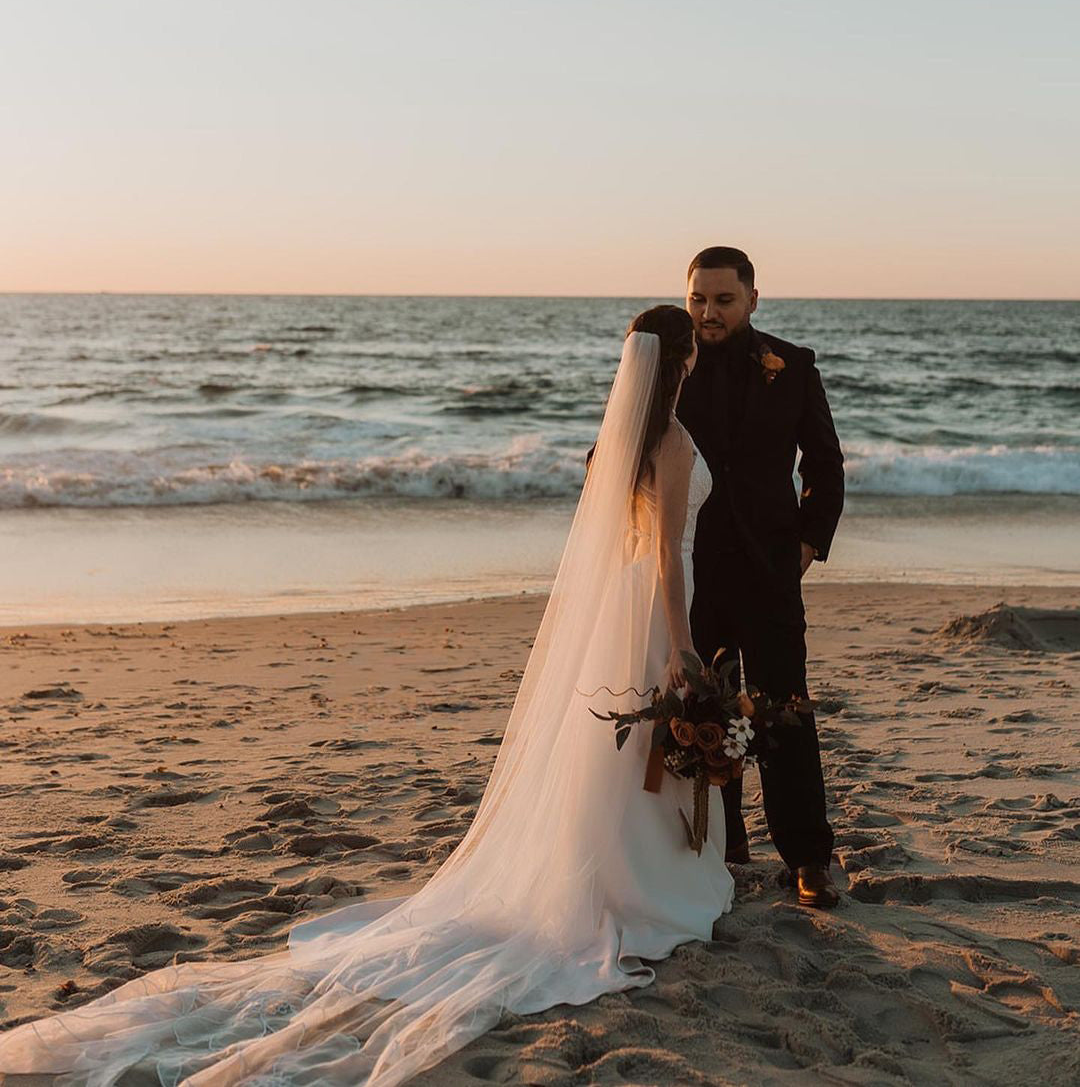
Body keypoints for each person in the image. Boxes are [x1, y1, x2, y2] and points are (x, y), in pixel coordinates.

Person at [0, 307, 733, 1087]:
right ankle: (643, 886)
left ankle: (606, 871)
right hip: (649, 610)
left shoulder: (615, 445)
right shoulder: (675, 442)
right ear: (681, 360)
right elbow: (664, 555)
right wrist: (682, 641)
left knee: (605, 755)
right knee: (641, 749)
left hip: (609, 615)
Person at [676, 246, 845, 907]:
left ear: (751, 298)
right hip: (693, 571)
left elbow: (825, 465)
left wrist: (806, 544)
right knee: (703, 713)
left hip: (770, 572)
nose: (709, 312)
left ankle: (807, 856)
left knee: (785, 715)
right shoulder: (667, 364)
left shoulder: (793, 364)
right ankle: (724, 846)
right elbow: (623, 445)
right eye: (699, 299)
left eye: (723, 299)